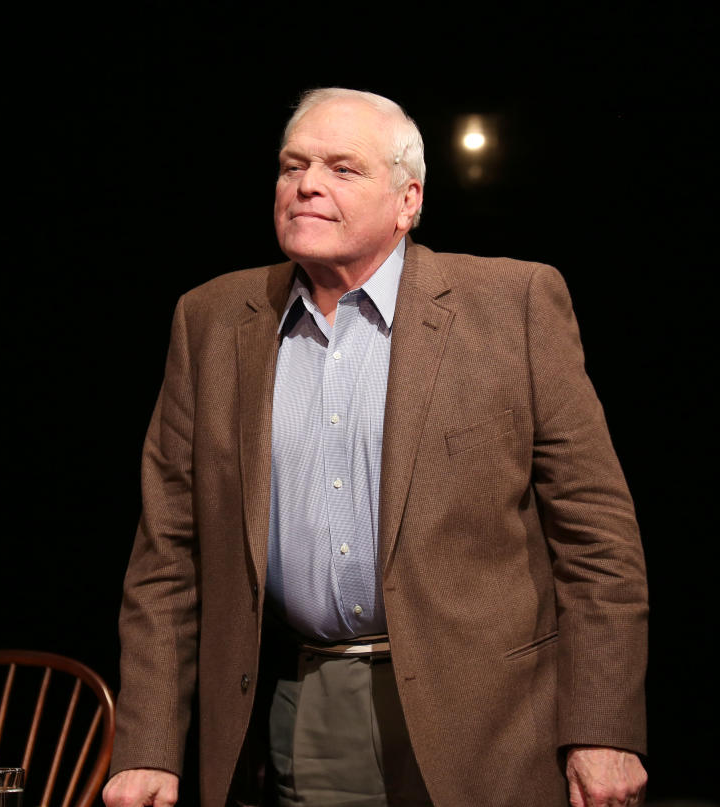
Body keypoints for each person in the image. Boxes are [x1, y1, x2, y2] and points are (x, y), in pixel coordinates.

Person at [103, 88, 649, 807]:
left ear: (407, 200)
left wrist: (603, 726)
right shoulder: (209, 320)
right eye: (291, 166)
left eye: (341, 168)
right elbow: (166, 556)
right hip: (315, 701)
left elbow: (597, 540)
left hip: (495, 717)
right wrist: (147, 744)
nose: (305, 185)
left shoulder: (512, 303)